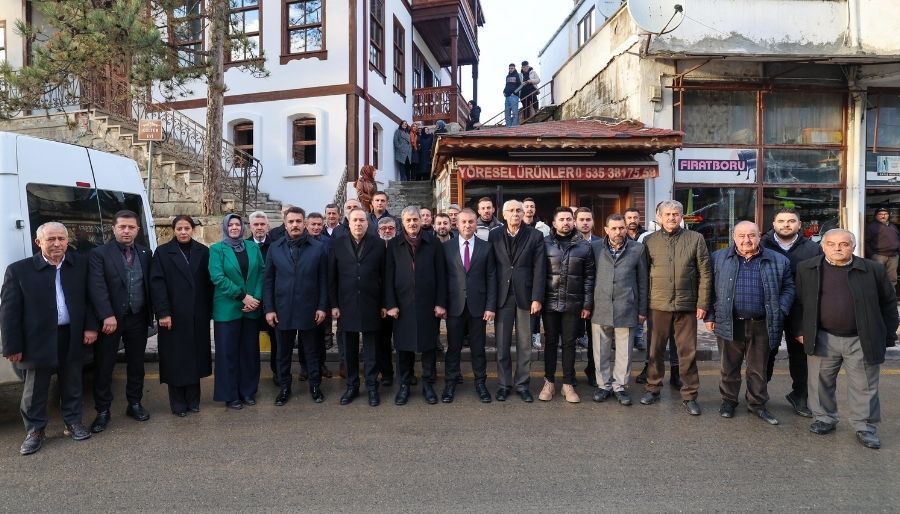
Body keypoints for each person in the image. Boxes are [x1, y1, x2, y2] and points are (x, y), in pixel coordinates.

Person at [795, 229, 898, 450]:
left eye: (843, 244)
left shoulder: (873, 270)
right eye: (831, 244)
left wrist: (888, 335)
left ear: (853, 246)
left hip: (861, 338)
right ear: (823, 246)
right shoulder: (807, 268)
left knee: (864, 386)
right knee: (819, 383)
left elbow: (889, 304)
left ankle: (865, 427)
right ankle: (824, 418)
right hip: (822, 336)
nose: (837, 248)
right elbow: (798, 302)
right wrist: (800, 329)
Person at [1, 222, 98, 455]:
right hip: (37, 338)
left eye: (61, 239)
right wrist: (11, 346)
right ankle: (35, 431)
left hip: (71, 335)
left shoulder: (79, 265)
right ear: (38, 242)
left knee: (72, 382)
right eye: (51, 239)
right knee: (35, 389)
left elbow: (90, 298)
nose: (57, 244)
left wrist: (90, 327)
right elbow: (9, 312)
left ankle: (73, 422)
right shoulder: (19, 271)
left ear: (67, 241)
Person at [705, 221, 794, 426]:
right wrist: (710, 316)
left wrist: (780, 310)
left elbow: (789, 288)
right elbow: (709, 289)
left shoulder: (778, 260)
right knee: (729, 367)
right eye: (742, 235)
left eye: (752, 235)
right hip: (729, 320)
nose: (747, 240)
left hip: (762, 323)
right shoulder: (719, 258)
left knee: (758, 369)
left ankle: (757, 404)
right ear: (733, 237)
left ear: (759, 236)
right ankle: (729, 401)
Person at [639, 200, 712, 416]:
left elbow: (705, 273)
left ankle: (689, 395)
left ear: (681, 217)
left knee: (687, 352)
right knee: (655, 350)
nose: (671, 218)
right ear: (659, 217)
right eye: (667, 214)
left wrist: (702, 303)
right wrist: (643, 307)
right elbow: (643, 276)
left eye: (676, 214)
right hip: (657, 305)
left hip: (687, 305)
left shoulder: (695, 239)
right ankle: (653, 388)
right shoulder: (649, 241)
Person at [88, 209, 153, 432]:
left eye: (131, 227)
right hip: (110, 320)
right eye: (122, 227)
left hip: (138, 317)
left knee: (136, 364)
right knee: (105, 365)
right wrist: (107, 314)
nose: (126, 231)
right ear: (113, 228)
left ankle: (134, 403)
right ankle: (102, 410)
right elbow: (97, 287)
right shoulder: (99, 254)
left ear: (137, 229)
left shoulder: (145, 252)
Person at [149, 215, 213, 416]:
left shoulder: (203, 251)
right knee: (176, 360)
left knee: (194, 358)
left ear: (192, 229)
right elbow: (157, 284)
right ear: (173, 230)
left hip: (197, 314)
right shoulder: (162, 252)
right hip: (173, 316)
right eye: (179, 229)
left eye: (187, 228)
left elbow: (209, 284)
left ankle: (193, 401)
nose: (183, 232)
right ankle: (177, 403)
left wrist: (209, 310)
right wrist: (163, 312)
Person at [264, 207, 328, 406]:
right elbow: (268, 281)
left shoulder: (318, 248)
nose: (295, 225)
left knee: (311, 351)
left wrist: (322, 307)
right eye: (291, 221)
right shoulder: (275, 248)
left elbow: (323, 280)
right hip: (282, 309)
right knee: (283, 353)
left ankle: (315, 386)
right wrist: (269, 309)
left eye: (298, 221)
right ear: (285, 223)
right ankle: (284, 388)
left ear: (304, 223)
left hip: (310, 309)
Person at [761, 208, 822, 417]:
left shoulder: (813, 249)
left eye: (791, 221)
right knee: (766, 353)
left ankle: (800, 396)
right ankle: (759, 394)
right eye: (781, 221)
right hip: (769, 307)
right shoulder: (761, 245)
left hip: (801, 309)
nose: (786, 224)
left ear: (799, 224)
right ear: (773, 223)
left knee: (801, 356)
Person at [385, 206, 448, 405]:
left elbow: (441, 275)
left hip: (427, 304)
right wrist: (391, 304)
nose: (413, 223)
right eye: (409, 220)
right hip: (402, 306)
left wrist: (440, 303)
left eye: (416, 219)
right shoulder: (394, 244)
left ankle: (428, 385)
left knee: (428, 347)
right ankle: (404, 385)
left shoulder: (434, 243)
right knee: (403, 347)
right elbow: (388, 277)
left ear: (422, 221)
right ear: (402, 223)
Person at [489, 199, 546, 402]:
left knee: (525, 345)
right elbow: (492, 269)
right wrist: (491, 300)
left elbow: (540, 269)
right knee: (502, 344)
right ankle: (504, 384)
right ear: (504, 215)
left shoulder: (535, 235)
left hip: (526, 296)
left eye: (519, 210)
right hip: (502, 297)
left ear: (524, 213)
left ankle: (522, 385)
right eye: (511, 210)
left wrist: (537, 298)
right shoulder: (494, 234)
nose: (515, 213)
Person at [330, 208, 387, 407]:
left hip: (372, 303)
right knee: (350, 349)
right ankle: (352, 386)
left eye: (362, 220)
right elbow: (332, 277)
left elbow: (385, 277)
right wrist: (334, 304)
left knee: (371, 349)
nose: (358, 224)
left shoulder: (378, 244)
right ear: (348, 222)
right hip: (346, 304)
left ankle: (372, 386)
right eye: (355, 220)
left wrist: (384, 304)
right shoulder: (337, 244)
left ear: (367, 223)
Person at [589, 214, 647, 407]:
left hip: (627, 306)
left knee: (625, 352)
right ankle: (604, 385)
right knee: (600, 350)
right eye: (613, 228)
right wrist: (588, 305)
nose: (618, 232)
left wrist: (642, 310)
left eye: (621, 228)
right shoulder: (595, 247)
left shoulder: (638, 249)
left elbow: (642, 282)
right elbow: (590, 278)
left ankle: (620, 387)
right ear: (605, 230)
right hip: (601, 306)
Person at [209, 214, 264, 409]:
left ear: (242, 227)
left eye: (237, 224)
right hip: (227, 310)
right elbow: (217, 277)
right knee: (227, 354)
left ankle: (248, 391)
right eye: (230, 225)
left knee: (249, 353)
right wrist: (243, 296)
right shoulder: (217, 249)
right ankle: (230, 394)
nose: (234, 227)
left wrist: (255, 298)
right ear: (225, 227)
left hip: (251, 309)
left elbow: (261, 273)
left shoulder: (252, 247)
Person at [539, 207, 594, 404]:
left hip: (574, 303)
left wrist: (587, 304)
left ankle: (568, 384)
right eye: (561, 219)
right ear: (553, 223)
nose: (566, 222)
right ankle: (549, 382)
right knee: (551, 343)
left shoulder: (584, 246)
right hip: (550, 303)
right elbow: (538, 275)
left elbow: (589, 278)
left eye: (569, 219)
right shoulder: (544, 244)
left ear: (574, 222)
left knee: (570, 344)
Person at [443, 208, 497, 403]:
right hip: (454, 306)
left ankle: (480, 384)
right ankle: (450, 383)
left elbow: (492, 278)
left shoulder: (486, 247)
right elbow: (443, 279)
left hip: (478, 306)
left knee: (478, 348)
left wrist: (490, 306)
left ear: (476, 223)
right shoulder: (446, 247)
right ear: (456, 224)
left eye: (471, 222)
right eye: (463, 222)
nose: (467, 225)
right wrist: (442, 304)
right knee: (453, 348)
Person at [247, 211, 279, 383]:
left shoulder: (276, 245)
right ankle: (251, 376)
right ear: (250, 227)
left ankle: (278, 372)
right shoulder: (243, 246)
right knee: (250, 341)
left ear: (267, 226)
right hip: (250, 302)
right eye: (256, 225)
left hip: (272, 302)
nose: (259, 227)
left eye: (262, 224)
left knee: (276, 341)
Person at [302, 211, 334, 379]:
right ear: (306, 225)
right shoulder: (301, 242)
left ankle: (321, 364)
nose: (315, 227)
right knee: (304, 334)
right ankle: (304, 367)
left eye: (318, 224)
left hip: (323, 294)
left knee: (321, 333)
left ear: (323, 226)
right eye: (312, 224)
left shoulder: (329, 243)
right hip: (305, 295)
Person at [574, 207, 601, 387]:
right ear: (575, 222)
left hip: (596, 298)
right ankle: (570, 373)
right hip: (574, 296)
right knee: (570, 338)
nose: (585, 222)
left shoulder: (601, 243)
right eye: (581, 219)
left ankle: (592, 370)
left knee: (595, 340)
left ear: (593, 222)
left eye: (588, 219)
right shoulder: (570, 241)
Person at [376, 216, 398, 385]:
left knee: (403, 340)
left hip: (401, 303)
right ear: (378, 231)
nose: (387, 231)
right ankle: (387, 373)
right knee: (382, 341)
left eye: (390, 228)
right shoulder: (374, 248)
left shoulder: (401, 247)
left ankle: (407, 372)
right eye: (383, 228)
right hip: (381, 305)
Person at [864, 207, 900, 287]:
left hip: (893, 256)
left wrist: (898, 252)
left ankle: (891, 297)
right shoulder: (871, 227)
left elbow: (897, 239)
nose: (883, 216)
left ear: (888, 215)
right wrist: (872, 255)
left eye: (885, 214)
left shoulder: (893, 226)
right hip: (879, 256)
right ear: (876, 216)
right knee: (878, 277)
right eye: (880, 214)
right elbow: (866, 242)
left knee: (892, 279)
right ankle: (878, 297)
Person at [503, 63, 523, 127]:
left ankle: (514, 127)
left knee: (514, 113)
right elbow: (507, 85)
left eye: (512, 68)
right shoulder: (507, 76)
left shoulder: (517, 75)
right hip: (507, 97)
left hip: (514, 96)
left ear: (514, 68)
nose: (510, 69)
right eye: (509, 68)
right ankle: (508, 127)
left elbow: (521, 85)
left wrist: (514, 92)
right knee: (507, 113)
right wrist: (504, 91)